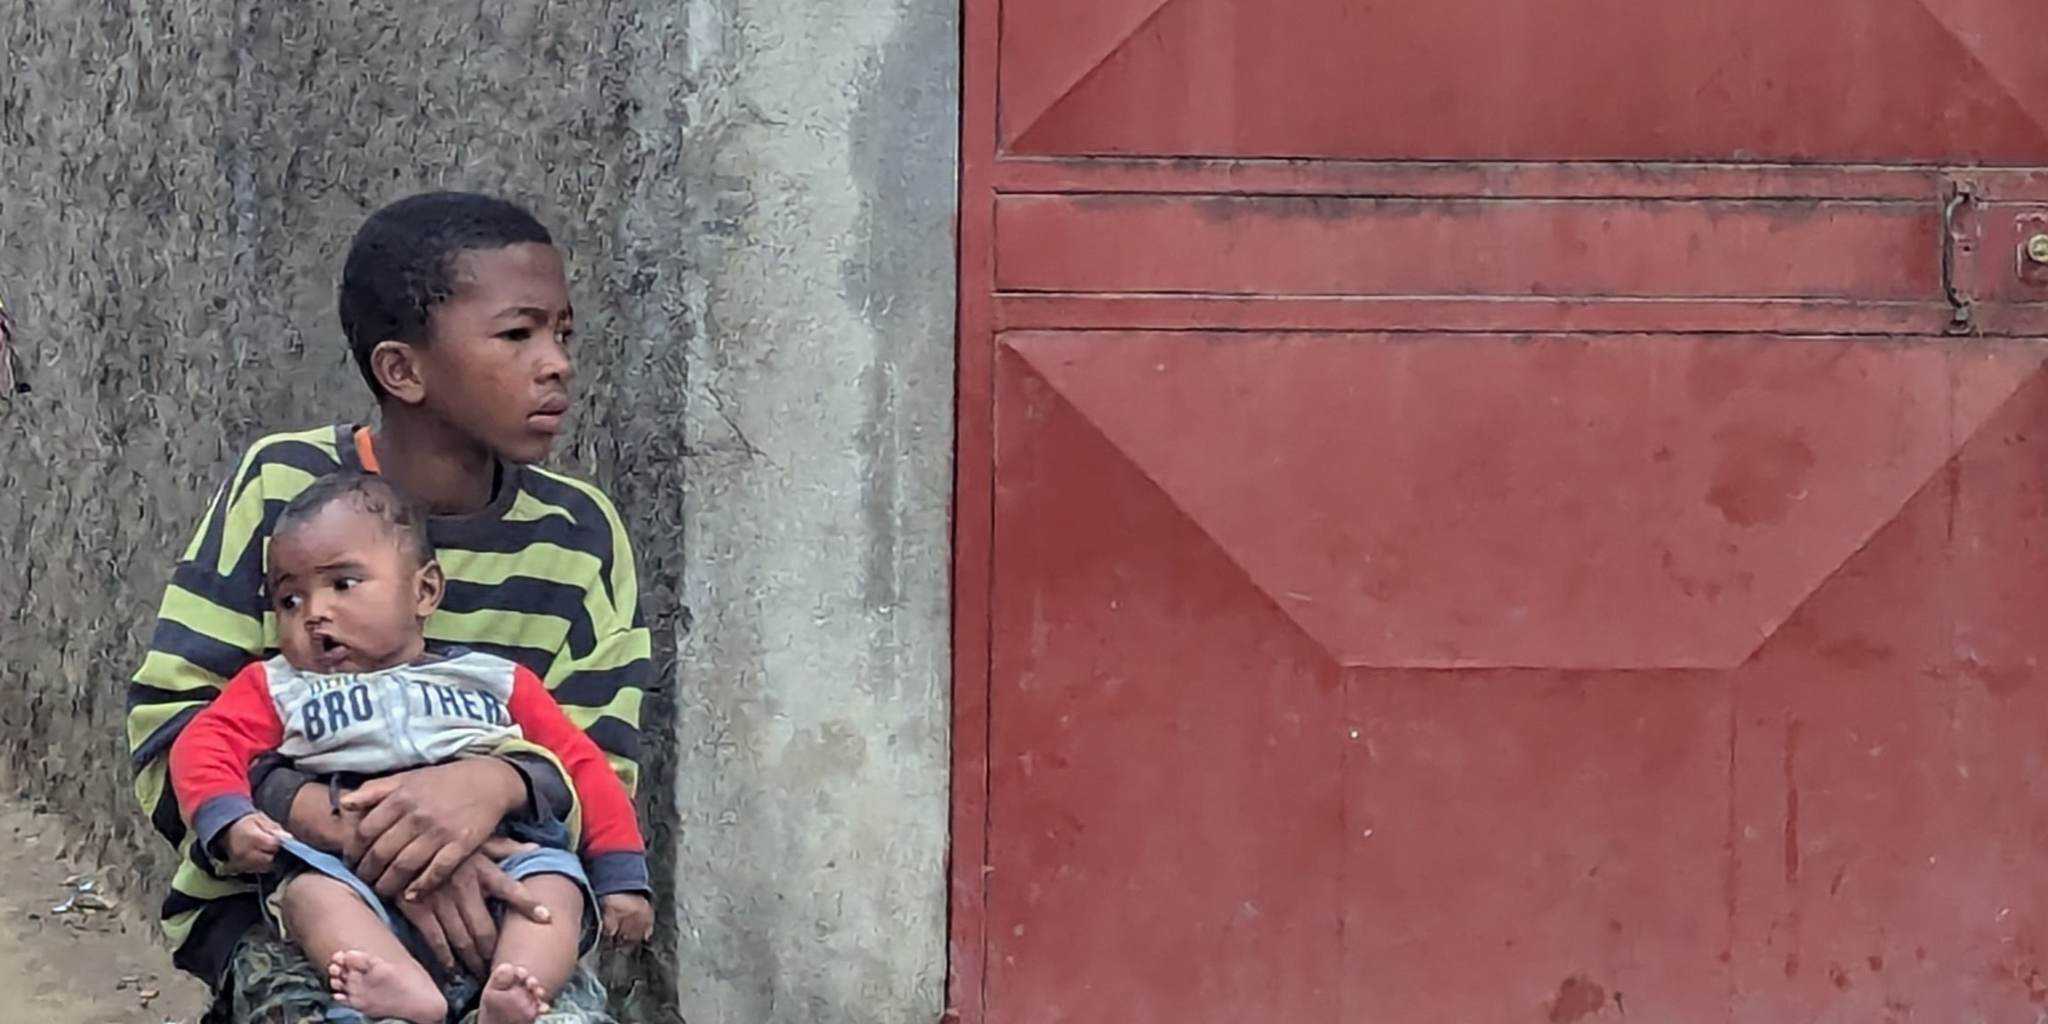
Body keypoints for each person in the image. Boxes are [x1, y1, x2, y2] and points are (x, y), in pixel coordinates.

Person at [128, 192, 654, 1023]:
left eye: (563, 332)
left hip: (502, 909)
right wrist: (353, 833)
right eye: (518, 335)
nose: (556, 363)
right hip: (293, 899)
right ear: (401, 369)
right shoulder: (284, 487)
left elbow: (599, 765)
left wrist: (487, 786)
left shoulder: (580, 535)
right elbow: (172, 731)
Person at [170, 472, 652, 1024]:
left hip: (499, 865)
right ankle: (400, 993)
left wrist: (621, 874)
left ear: (424, 591)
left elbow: (582, 765)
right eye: (289, 599)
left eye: (343, 584)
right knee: (307, 898)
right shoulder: (277, 686)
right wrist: (226, 815)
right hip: (348, 875)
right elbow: (205, 742)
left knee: (554, 889)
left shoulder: (494, 681)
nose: (314, 613)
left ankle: (517, 995)